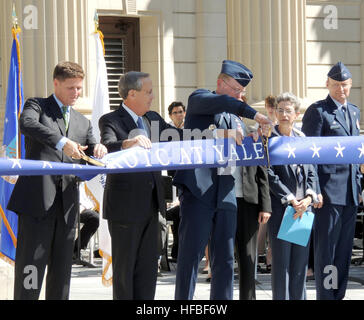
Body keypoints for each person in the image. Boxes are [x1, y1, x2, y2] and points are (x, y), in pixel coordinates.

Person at [7, 61, 107, 300]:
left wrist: (100, 148)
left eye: (79, 88)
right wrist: (63, 142)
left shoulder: (83, 122)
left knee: (61, 274)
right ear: (56, 83)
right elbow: (27, 124)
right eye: (71, 87)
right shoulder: (37, 105)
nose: (76, 93)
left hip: (68, 207)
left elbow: (92, 148)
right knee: (30, 269)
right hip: (37, 204)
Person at [173, 59, 271, 300]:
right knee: (191, 256)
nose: (239, 96)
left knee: (225, 260)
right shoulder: (200, 99)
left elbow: (244, 146)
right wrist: (256, 115)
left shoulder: (235, 118)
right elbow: (204, 132)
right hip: (199, 190)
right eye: (236, 89)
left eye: (242, 92)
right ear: (220, 82)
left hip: (226, 192)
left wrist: (258, 135)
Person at [99, 71, 181, 300]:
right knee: (125, 273)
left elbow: (179, 136)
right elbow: (107, 146)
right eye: (148, 92)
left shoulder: (152, 118)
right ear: (131, 94)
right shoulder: (111, 119)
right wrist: (129, 143)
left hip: (152, 207)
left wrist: (219, 135)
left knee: (147, 271)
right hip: (125, 209)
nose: (152, 97)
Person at [301, 61, 361, 300]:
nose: (341, 90)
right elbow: (308, 154)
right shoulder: (318, 111)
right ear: (327, 84)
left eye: (345, 85)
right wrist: (313, 190)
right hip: (327, 193)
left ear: (351, 85)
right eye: (336, 85)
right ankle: (327, 296)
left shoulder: (354, 111)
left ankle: (338, 295)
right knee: (327, 251)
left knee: (344, 252)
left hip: (350, 193)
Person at [267, 92, 319, 300]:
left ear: (296, 114)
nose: (283, 114)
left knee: (299, 265)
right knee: (281, 265)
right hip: (283, 209)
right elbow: (268, 173)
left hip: (303, 210)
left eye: (288, 111)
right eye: (280, 110)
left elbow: (312, 170)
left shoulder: (302, 139)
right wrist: (290, 198)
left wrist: (308, 197)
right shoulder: (270, 139)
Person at [232, 117, 272, 300]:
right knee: (222, 257)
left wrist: (265, 206)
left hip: (248, 202)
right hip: (224, 201)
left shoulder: (253, 134)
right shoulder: (215, 133)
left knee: (248, 258)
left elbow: (262, 172)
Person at [73, 182, 100, 259]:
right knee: (95, 218)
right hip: (74, 207)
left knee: (104, 215)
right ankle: (75, 249)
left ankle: (104, 250)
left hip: (87, 206)